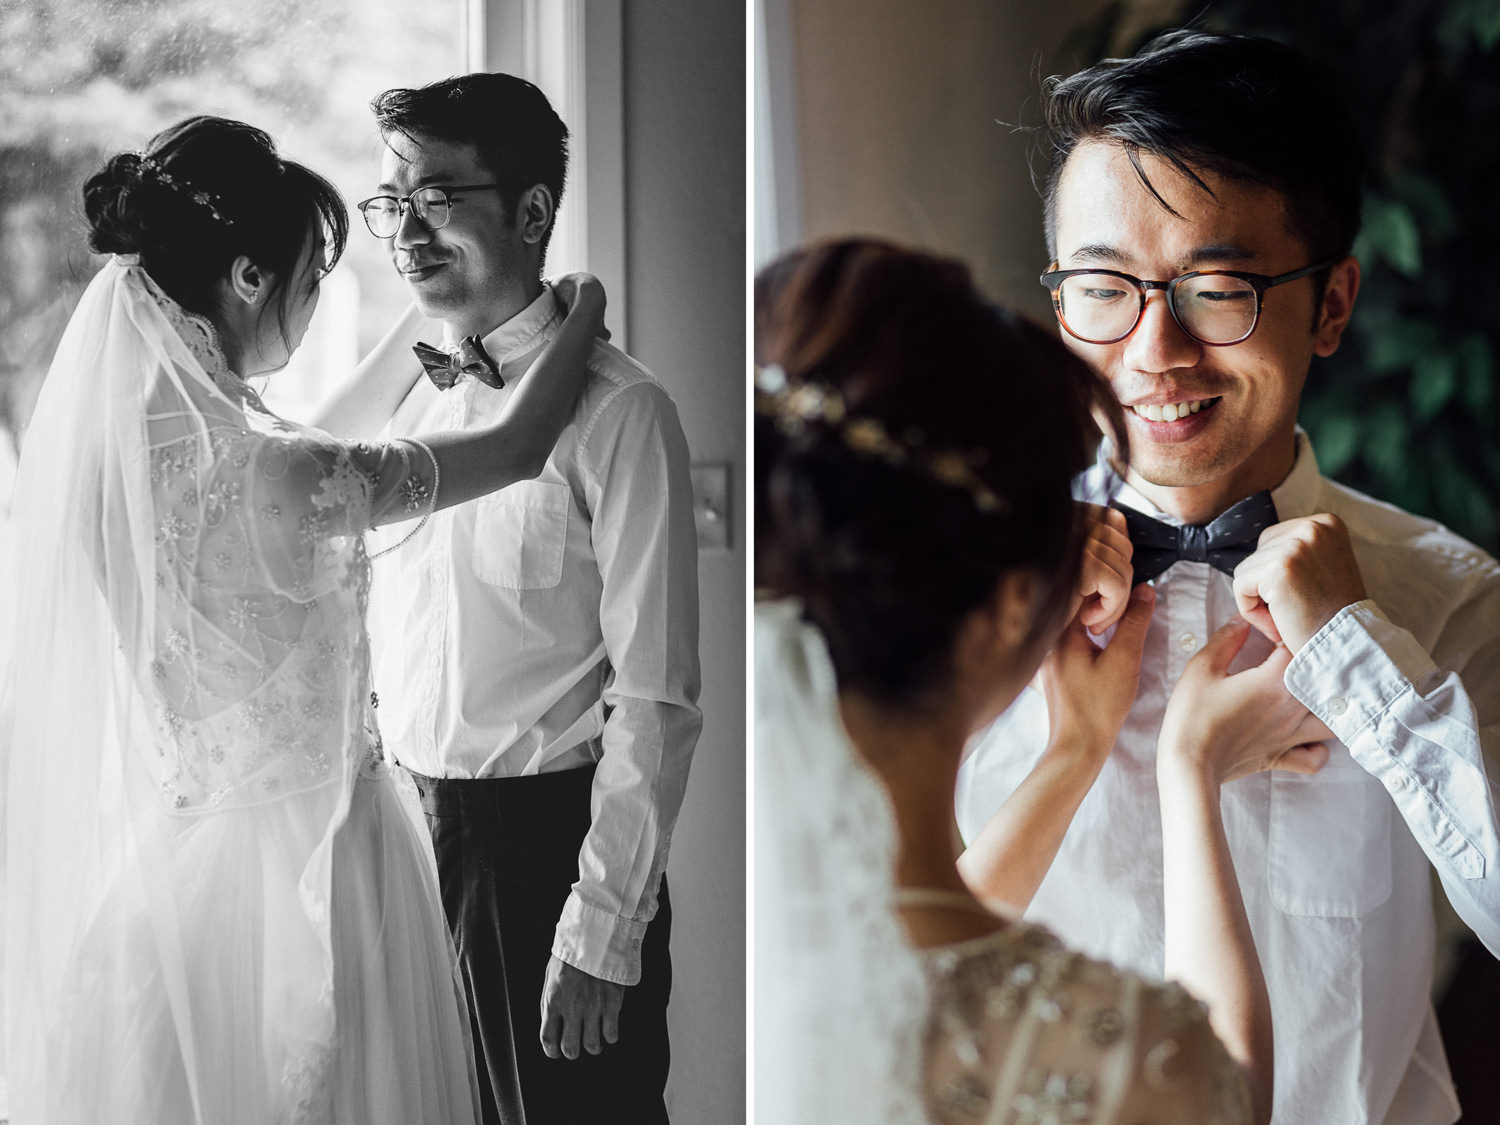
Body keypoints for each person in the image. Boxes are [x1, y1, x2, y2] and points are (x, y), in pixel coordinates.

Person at [2, 114, 607, 1124]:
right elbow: (515, 448)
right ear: (249, 277)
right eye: (308, 281)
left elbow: (317, 446)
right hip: (324, 873)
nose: (313, 308)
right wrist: (582, 306)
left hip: (192, 878)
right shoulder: (277, 471)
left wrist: (423, 344)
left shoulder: (120, 460)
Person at [957, 30, 1500, 1125]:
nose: (1154, 353)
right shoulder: (957, 582)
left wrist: (1357, 655)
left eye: (1216, 288)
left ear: (1333, 304)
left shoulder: (1445, 594)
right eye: (1104, 288)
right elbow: (862, 965)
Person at [755, 236, 1308, 1125]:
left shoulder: (749, 944)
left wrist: (1078, 747)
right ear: (1018, 600)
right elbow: (1233, 1096)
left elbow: (925, 937)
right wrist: (1191, 767)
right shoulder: (1129, 1056)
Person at [359, 74, 700, 1124]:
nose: (407, 232)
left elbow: (656, 698)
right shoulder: (402, 391)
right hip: (407, 849)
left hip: (545, 858)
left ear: (534, 211)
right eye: (391, 203)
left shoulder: (623, 412)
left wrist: (602, 926)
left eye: (435, 198)